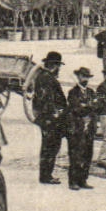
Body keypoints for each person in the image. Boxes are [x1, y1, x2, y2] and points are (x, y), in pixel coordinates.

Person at [32, 52, 68, 185]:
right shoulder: (48, 78)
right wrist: (56, 114)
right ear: (54, 65)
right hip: (50, 120)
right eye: (58, 65)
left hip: (46, 118)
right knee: (50, 147)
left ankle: (45, 174)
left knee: (48, 146)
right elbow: (47, 100)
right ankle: (46, 175)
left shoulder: (42, 77)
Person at [65, 66, 98, 190]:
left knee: (87, 154)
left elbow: (96, 106)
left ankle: (83, 180)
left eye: (87, 77)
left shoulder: (91, 92)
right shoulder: (73, 92)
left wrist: (86, 106)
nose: (85, 79)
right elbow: (76, 108)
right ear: (78, 77)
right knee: (75, 155)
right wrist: (88, 107)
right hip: (76, 128)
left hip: (89, 128)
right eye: (83, 76)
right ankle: (73, 181)